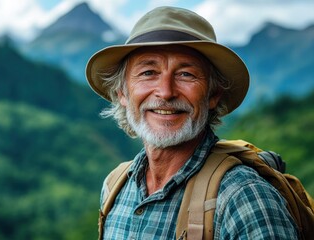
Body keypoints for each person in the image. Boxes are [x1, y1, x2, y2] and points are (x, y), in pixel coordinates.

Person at [85, 6, 298, 239]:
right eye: (148, 72)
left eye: (186, 74)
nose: (165, 92)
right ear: (122, 93)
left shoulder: (243, 198)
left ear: (213, 95)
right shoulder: (115, 187)